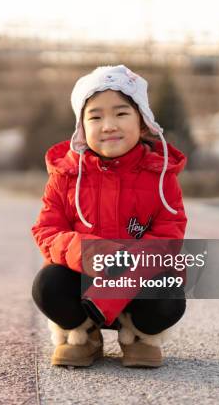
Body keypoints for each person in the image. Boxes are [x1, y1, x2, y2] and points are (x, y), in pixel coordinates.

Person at [31, 65, 187, 368]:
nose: (108, 125)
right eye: (96, 116)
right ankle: (83, 333)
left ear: (142, 122)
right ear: (82, 127)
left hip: (136, 277)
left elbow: (169, 236)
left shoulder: (160, 176)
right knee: (47, 284)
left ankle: (139, 335)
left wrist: (124, 271)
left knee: (169, 289)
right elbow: (47, 230)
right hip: (82, 276)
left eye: (121, 113)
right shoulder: (66, 175)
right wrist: (88, 252)